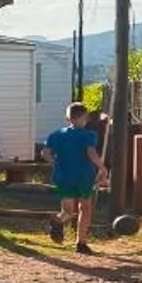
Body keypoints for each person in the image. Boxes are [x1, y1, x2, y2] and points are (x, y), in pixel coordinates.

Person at [43, 101, 106, 252]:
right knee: (85, 208)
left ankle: (58, 220)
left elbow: (45, 153)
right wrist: (102, 168)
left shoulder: (56, 135)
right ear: (85, 118)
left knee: (68, 211)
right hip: (83, 176)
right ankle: (81, 243)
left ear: (68, 118)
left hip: (64, 176)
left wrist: (55, 163)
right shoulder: (89, 135)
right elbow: (91, 154)